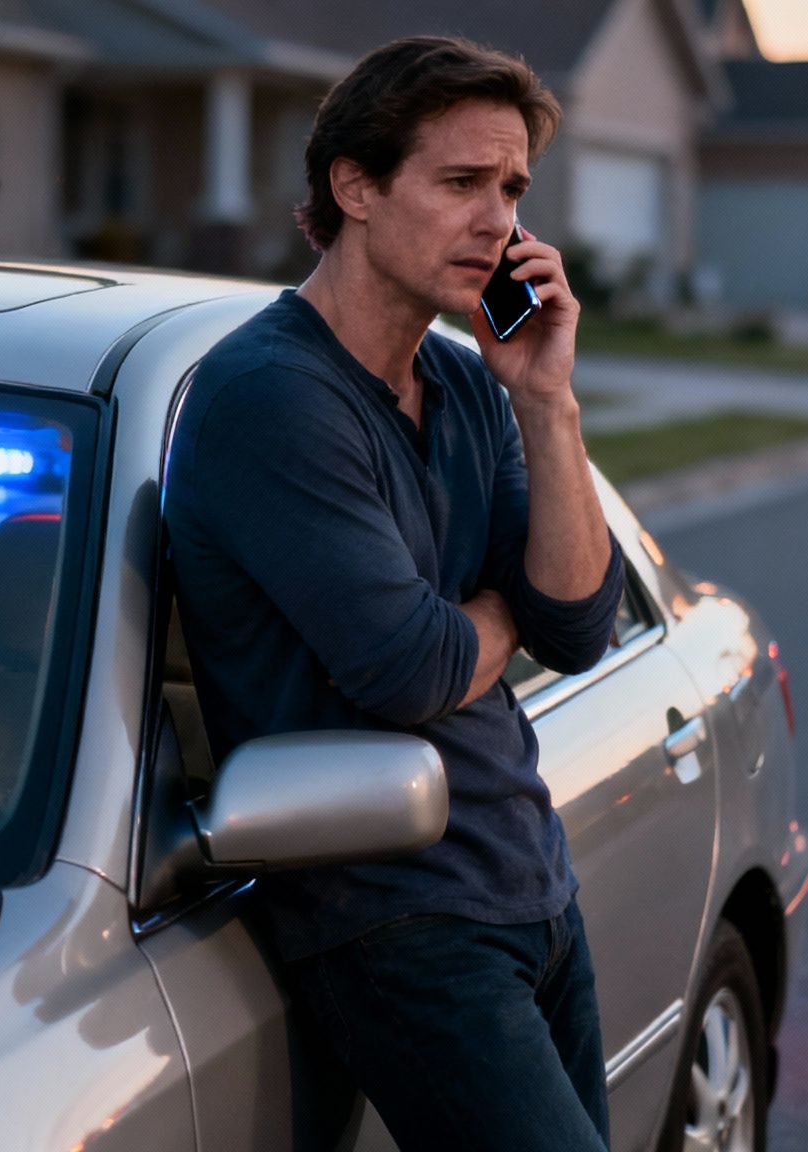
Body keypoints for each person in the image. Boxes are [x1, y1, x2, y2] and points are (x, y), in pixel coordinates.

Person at [162, 35, 624, 1152]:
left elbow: (579, 622)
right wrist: (502, 603)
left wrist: (546, 402)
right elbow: (408, 670)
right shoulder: (271, 399)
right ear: (354, 186)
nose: (497, 224)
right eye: (459, 183)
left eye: (510, 190)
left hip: (527, 881)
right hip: (394, 919)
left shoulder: (470, 382)